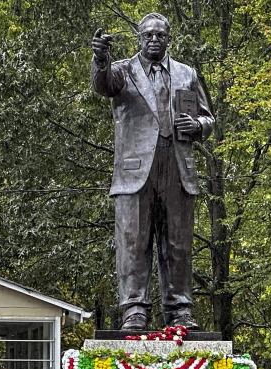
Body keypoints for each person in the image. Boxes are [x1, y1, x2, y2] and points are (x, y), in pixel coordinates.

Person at [91, 12, 214, 330]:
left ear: (168, 38)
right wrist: (101, 59)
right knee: (134, 242)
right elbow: (102, 86)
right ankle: (134, 308)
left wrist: (198, 124)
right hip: (135, 172)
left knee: (178, 243)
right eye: (148, 35)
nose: (154, 39)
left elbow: (208, 118)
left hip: (176, 167)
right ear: (139, 38)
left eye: (160, 35)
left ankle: (179, 309)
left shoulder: (187, 73)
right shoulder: (122, 71)